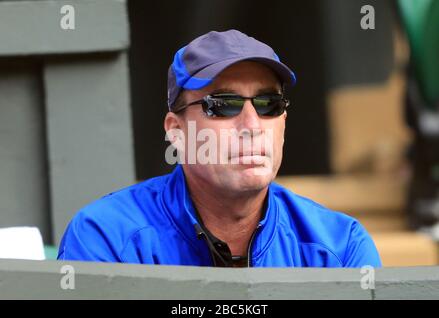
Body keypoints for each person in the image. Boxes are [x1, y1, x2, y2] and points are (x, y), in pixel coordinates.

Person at [58, 30, 381, 268]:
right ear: (177, 131)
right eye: (223, 105)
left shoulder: (340, 246)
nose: (252, 126)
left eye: (269, 104)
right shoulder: (107, 237)